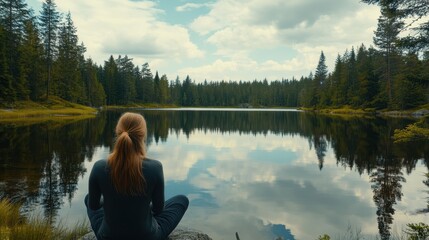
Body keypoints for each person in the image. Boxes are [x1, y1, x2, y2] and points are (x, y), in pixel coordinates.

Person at [84, 112, 189, 240]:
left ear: (118, 132)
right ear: (143, 136)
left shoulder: (99, 167)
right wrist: (141, 207)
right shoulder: (155, 167)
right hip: (148, 236)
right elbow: (158, 210)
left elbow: (94, 206)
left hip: (107, 236)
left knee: (88, 199)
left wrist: (112, 203)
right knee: (182, 200)